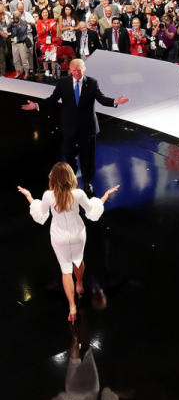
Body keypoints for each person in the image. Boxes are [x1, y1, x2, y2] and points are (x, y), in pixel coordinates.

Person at [16, 162, 120, 322]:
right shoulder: (78, 194)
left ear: (53, 179)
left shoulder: (48, 196)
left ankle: (72, 306)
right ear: (70, 177)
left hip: (59, 237)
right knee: (79, 260)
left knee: (66, 270)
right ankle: (79, 284)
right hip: (78, 234)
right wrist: (105, 196)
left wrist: (29, 196)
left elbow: (40, 213)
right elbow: (92, 210)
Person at [21, 59, 130, 195]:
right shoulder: (63, 83)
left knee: (88, 157)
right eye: (74, 70)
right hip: (69, 126)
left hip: (88, 127)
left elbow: (101, 99)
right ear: (70, 70)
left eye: (80, 69)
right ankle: (71, 180)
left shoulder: (92, 82)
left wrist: (115, 101)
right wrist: (36, 105)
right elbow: (52, 99)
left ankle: (87, 182)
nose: (77, 73)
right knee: (69, 155)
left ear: (84, 68)